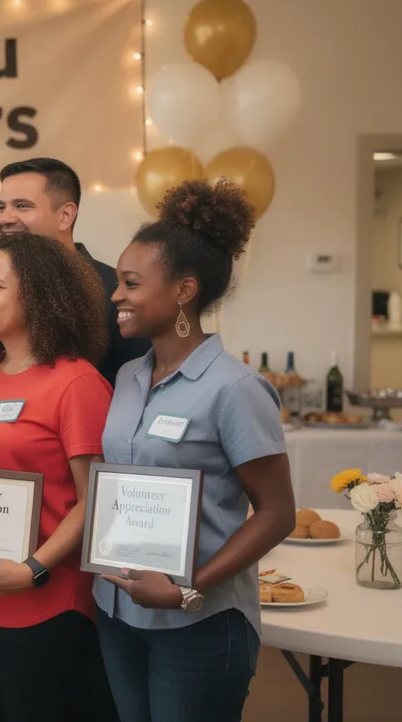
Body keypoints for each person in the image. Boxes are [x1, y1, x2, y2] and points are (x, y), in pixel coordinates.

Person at [94, 179, 295, 722]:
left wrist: (187, 586)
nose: (116, 296)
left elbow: (278, 514)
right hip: (117, 610)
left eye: (130, 283)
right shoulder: (129, 377)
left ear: (184, 290)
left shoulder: (234, 388)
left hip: (198, 621)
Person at [0, 233, 118, 722]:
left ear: (39, 294)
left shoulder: (78, 382)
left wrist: (33, 568)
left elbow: (96, 499)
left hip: (43, 596)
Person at [0, 157, 150, 385]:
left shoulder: (117, 292)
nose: (5, 219)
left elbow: (143, 386)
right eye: (1, 207)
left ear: (65, 215)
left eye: (22, 206)